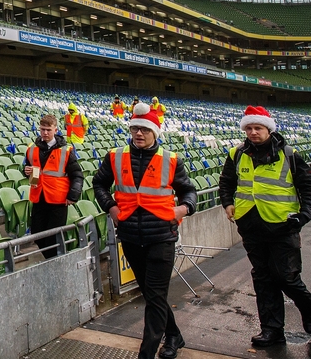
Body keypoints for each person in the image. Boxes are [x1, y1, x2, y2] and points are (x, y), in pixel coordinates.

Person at [93, 102, 197, 359]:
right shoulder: (115, 156)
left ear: (155, 132)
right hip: (129, 234)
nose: (139, 134)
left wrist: (182, 210)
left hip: (162, 235)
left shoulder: (171, 159)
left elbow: (188, 191)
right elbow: (99, 184)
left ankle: (146, 354)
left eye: (144, 130)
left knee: (155, 294)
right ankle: (173, 335)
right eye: (135, 129)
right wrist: (111, 208)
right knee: (152, 294)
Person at [219, 105, 311, 347]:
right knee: (263, 278)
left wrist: (303, 216)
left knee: (287, 278)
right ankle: (272, 330)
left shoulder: (289, 154)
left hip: (283, 226)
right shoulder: (236, 153)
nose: (252, 132)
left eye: (257, 127)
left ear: (268, 129)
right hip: (250, 225)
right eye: (248, 128)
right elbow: (227, 182)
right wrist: (227, 203)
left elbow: (307, 187)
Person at [23, 114, 83, 257]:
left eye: (48, 130)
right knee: (36, 233)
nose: (45, 133)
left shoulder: (66, 150)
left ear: (55, 130)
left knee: (53, 236)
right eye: (42, 129)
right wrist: (25, 171)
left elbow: (77, 175)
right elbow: (29, 169)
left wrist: (73, 195)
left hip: (58, 198)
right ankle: (52, 259)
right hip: (39, 196)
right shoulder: (32, 148)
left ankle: (54, 261)